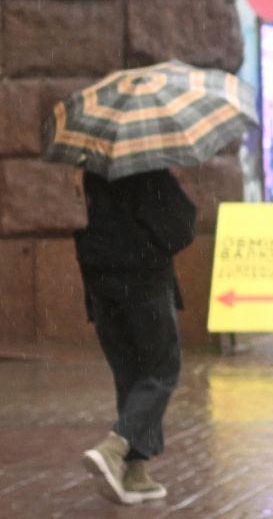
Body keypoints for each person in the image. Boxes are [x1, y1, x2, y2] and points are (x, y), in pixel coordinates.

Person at [75, 169, 196, 505]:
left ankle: (136, 472)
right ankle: (115, 447)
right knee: (161, 371)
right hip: (143, 283)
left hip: (102, 287)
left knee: (132, 378)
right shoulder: (150, 173)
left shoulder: (93, 173)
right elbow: (181, 228)